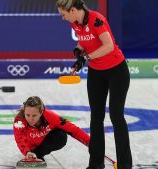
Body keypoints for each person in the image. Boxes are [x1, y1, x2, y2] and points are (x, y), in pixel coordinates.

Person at [56, 0, 132, 169]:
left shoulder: (97, 19)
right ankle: (96, 164)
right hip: (96, 73)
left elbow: (109, 46)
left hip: (116, 71)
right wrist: (79, 53)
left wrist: (87, 57)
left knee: (116, 116)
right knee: (96, 118)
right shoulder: (76, 23)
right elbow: (83, 42)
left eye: (64, 14)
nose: (63, 18)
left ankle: (126, 164)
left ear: (74, 10)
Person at [13, 96, 90, 164]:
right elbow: (20, 139)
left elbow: (73, 130)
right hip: (29, 148)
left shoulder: (50, 116)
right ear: (24, 112)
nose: (30, 119)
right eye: (28, 115)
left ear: (41, 112)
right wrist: (27, 152)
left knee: (61, 136)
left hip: (42, 145)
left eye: (34, 115)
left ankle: (37, 154)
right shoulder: (19, 121)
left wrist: (92, 144)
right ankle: (33, 155)